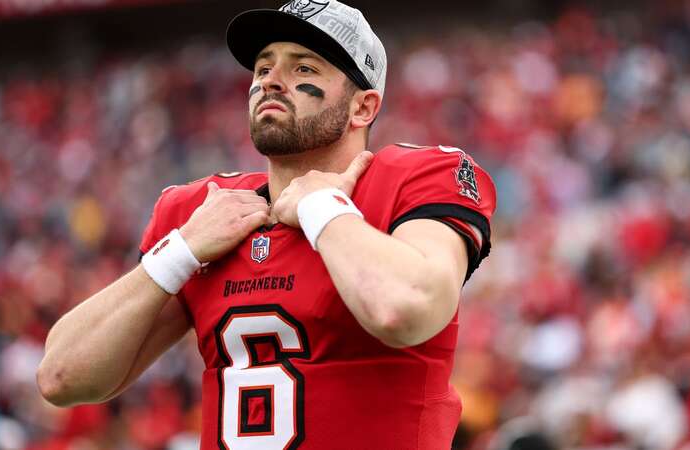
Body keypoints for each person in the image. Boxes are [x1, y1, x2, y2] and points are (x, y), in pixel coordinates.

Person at [36, 0, 496, 448]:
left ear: (363, 108)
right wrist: (181, 249)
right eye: (263, 68)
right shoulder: (203, 213)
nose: (272, 82)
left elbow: (406, 309)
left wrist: (323, 210)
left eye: (304, 69)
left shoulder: (417, 177)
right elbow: (62, 378)